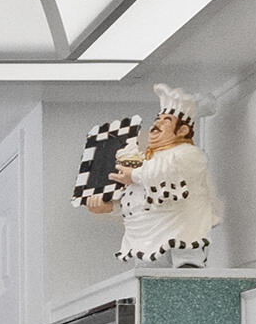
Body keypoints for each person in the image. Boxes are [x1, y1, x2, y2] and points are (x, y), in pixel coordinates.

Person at [93, 82, 222, 263]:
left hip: (181, 231)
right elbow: (143, 198)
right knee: (148, 278)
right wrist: (110, 206)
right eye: (157, 120)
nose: (157, 124)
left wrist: (134, 175)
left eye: (165, 121)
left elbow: (164, 174)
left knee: (183, 269)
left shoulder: (188, 155)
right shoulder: (148, 162)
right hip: (146, 239)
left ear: (183, 130)